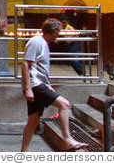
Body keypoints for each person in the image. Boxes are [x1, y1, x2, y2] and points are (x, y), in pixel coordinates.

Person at [20, 19, 88, 152]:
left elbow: (40, 68)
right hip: (35, 85)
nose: (59, 35)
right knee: (64, 104)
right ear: (55, 31)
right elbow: (25, 64)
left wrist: (47, 84)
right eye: (59, 32)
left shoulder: (43, 43)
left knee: (33, 121)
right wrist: (28, 89)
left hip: (39, 84)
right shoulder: (36, 42)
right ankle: (68, 140)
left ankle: (23, 153)